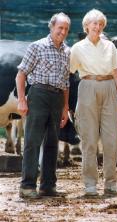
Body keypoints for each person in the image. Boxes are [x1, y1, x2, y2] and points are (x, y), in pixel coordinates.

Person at [70, 9, 117, 197]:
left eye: (100, 24)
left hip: (109, 87)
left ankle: (111, 183)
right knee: (89, 139)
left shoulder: (110, 46)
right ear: (86, 26)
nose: (97, 27)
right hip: (87, 86)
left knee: (111, 138)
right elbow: (69, 74)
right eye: (94, 23)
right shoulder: (77, 48)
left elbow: (116, 74)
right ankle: (90, 184)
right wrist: (67, 103)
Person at [16, 12, 71, 199]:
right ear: (52, 27)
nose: (62, 32)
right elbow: (21, 74)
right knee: (32, 141)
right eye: (60, 28)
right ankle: (27, 186)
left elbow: (66, 84)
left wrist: (65, 108)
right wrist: (22, 100)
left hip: (57, 99)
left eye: (66, 29)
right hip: (38, 95)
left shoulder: (67, 51)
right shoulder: (37, 46)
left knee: (52, 143)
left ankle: (48, 186)